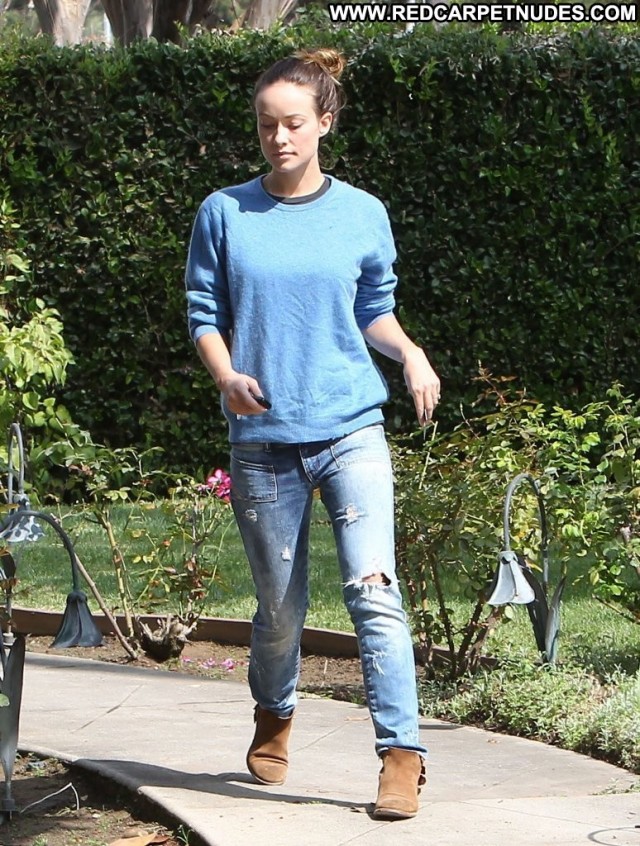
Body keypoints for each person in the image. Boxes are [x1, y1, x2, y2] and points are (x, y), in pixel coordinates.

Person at [185, 47, 440, 820]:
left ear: (324, 121)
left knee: (374, 590)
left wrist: (410, 352)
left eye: (294, 123)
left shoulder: (362, 213)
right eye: (267, 125)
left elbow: (373, 311)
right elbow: (204, 315)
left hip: (351, 429)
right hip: (263, 442)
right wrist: (227, 377)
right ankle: (275, 710)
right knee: (279, 608)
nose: (279, 138)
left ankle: (401, 756)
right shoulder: (224, 212)